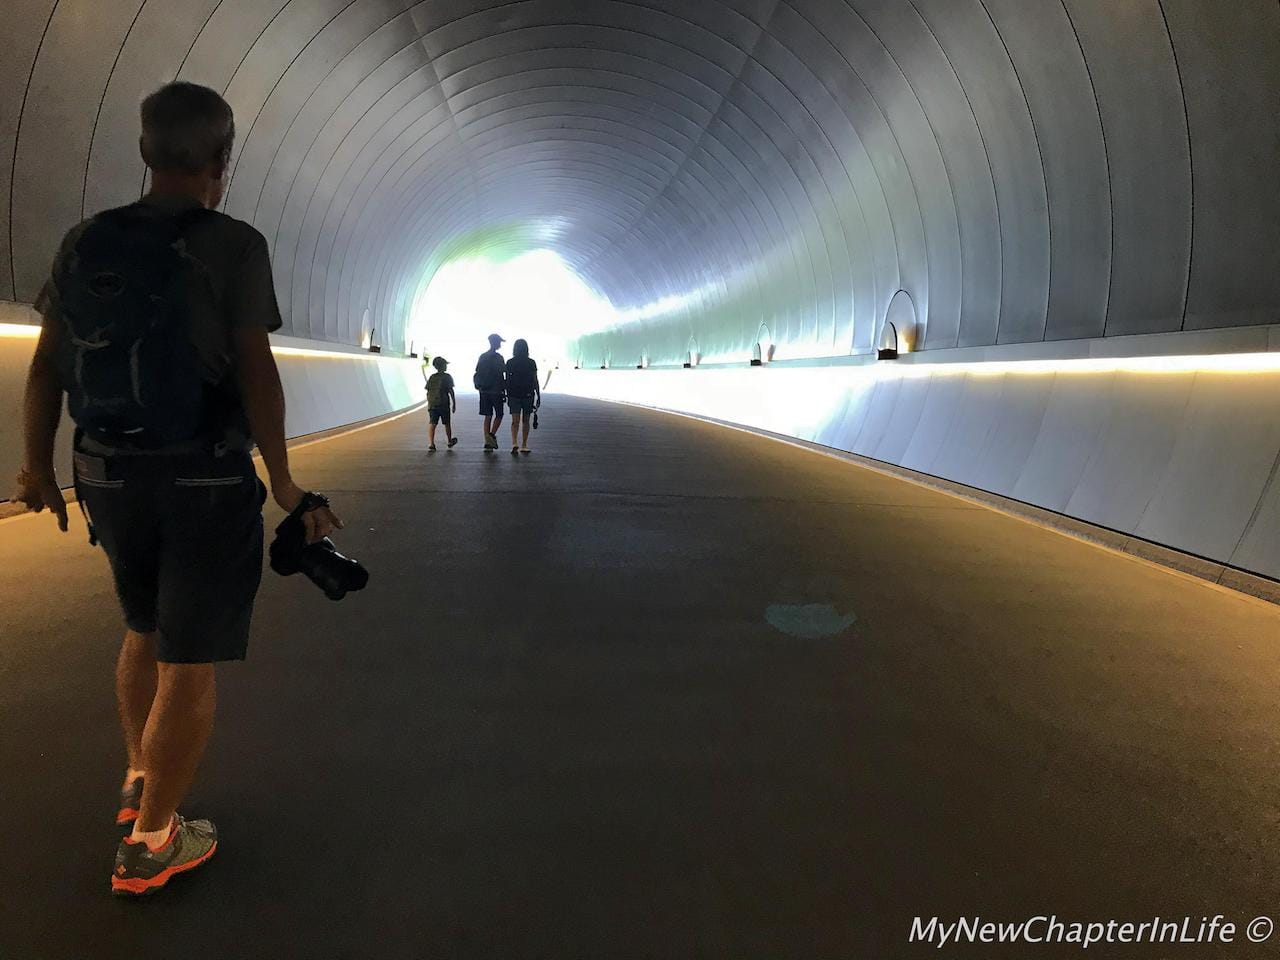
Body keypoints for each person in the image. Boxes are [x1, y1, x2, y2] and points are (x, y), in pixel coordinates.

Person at [14, 81, 341, 896]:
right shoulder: (233, 245)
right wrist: (284, 480)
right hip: (202, 474)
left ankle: (140, 778)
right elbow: (257, 371)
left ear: (144, 151)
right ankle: (154, 841)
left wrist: (37, 468)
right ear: (223, 159)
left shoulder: (86, 240)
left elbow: (47, 365)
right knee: (190, 657)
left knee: (143, 625)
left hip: (104, 471)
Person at [505, 339, 542, 455]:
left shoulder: (510, 362)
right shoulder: (531, 362)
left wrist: (506, 394)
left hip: (514, 394)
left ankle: (514, 442)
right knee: (526, 420)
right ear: (527, 349)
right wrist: (538, 395)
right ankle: (524, 445)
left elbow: (507, 380)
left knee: (515, 421)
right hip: (528, 394)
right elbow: (535, 380)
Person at [474, 333, 506, 449]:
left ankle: (487, 441)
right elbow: (502, 373)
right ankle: (491, 436)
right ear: (496, 343)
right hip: (496, 390)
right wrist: (504, 389)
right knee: (499, 414)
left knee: (487, 416)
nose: (500, 344)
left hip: (484, 391)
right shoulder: (499, 358)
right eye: (500, 342)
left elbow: (477, 371)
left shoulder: (482, 356)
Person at [424, 355, 458, 452]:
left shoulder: (432, 377)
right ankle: (449, 441)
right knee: (447, 423)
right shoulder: (447, 377)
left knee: (432, 423)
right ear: (442, 366)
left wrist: (430, 402)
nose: (446, 366)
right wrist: (454, 403)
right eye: (445, 365)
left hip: (433, 404)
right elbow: (451, 391)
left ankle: (431, 443)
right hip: (443, 404)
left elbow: (428, 390)